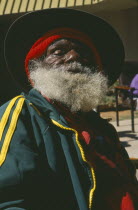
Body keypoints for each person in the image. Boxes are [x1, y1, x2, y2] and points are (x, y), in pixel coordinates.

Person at [0, 8, 138, 210]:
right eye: (58, 51)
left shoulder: (101, 127)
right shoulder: (21, 114)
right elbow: (8, 199)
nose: (74, 56)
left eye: (84, 53)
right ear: (37, 66)